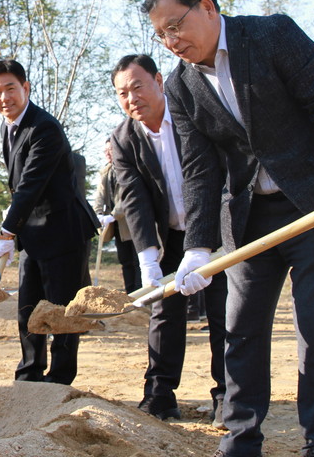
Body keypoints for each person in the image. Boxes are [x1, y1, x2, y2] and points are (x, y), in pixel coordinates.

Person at [143, 0, 314, 457]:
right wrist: (197, 249)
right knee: (240, 330)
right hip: (249, 220)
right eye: (160, 34)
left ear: (207, 7)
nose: (171, 41)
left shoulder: (273, 35)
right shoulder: (181, 88)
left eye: (175, 26)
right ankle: (240, 437)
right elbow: (201, 170)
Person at [108, 54, 227, 427]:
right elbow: (135, 200)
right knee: (164, 312)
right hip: (173, 235)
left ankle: (228, 396)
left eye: (137, 86)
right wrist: (147, 258)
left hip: (221, 230)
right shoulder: (124, 139)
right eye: (122, 93)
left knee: (226, 314)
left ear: (159, 81)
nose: (132, 98)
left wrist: (209, 239)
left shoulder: (192, 114)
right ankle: (159, 395)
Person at [0, 59, 97, 385]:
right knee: (28, 307)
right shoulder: (8, 126)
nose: (4, 97)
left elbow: (31, 185)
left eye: (10, 88)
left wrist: (7, 231)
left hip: (63, 231)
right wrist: (14, 229)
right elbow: (19, 188)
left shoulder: (44, 127)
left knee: (62, 311)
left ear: (26, 89)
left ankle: (60, 379)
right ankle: (29, 373)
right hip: (32, 232)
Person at [91, 139, 141, 293]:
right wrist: (98, 214)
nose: (107, 153)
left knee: (137, 261)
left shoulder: (129, 167)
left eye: (110, 149)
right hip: (118, 226)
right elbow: (100, 194)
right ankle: (130, 294)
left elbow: (129, 196)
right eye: (105, 150)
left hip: (134, 223)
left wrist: (114, 215)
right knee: (125, 261)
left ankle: (141, 296)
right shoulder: (106, 171)